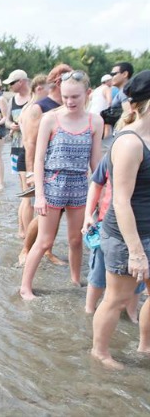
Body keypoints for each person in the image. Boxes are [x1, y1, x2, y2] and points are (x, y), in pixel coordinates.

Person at [20, 70, 103, 300]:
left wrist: (104, 194)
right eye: (66, 96)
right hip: (53, 183)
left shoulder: (95, 121)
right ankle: (25, 287)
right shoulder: (51, 119)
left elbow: (96, 162)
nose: (69, 101)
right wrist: (40, 195)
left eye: (75, 96)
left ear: (87, 93)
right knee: (45, 240)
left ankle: (75, 280)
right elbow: (38, 158)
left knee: (76, 239)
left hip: (79, 184)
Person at [91, 70, 150, 369]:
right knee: (117, 297)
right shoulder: (130, 143)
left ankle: (145, 346)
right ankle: (99, 353)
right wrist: (137, 253)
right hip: (128, 235)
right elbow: (120, 200)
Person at [19, 65, 74, 266]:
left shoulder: (71, 105)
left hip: (66, 168)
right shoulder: (40, 107)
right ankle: (25, 249)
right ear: (58, 80)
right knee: (45, 212)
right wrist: (32, 173)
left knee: (58, 212)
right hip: (45, 168)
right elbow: (30, 143)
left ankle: (47, 251)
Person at [82, 155, 145, 318]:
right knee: (98, 273)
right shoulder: (115, 153)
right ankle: (89, 310)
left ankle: (132, 313)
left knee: (139, 275)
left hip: (143, 228)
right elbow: (96, 184)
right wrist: (88, 215)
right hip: (109, 227)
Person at [3, 70, 32, 237]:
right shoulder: (12, 100)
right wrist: (11, 125)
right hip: (16, 147)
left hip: (29, 148)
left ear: (21, 82)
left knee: (26, 193)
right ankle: (23, 231)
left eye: (12, 83)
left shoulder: (34, 99)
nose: (10, 86)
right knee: (25, 193)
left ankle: (22, 230)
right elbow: (7, 120)